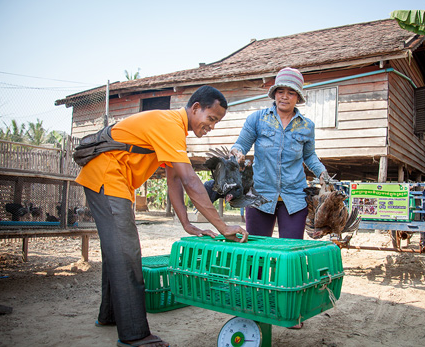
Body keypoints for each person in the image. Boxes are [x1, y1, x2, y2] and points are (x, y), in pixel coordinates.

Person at [76, 85, 248, 347]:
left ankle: (110, 315)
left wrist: (187, 223)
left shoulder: (173, 131)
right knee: (126, 253)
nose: (211, 126)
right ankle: (135, 336)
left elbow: (175, 182)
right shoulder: (169, 124)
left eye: (216, 121)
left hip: (113, 182)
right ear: (195, 108)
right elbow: (191, 180)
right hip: (107, 178)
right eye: (211, 118)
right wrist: (223, 226)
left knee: (117, 250)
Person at [231, 67, 329, 240]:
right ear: (274, 94)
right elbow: (240, 145)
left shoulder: (307, 126)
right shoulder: (257, 119)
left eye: (291, 93)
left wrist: (322, 172)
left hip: (294, 198)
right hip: (259, 195)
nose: (284, 96)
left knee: (290, 251)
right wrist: (237, 154)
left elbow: (309, 156)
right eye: (280, 91)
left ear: (297, 97)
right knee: (256, 252)